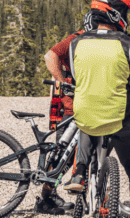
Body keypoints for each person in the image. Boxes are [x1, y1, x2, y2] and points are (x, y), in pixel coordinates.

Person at [66, 0, 130, 218]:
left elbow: (78, 78)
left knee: (89, 122)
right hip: (119, 119)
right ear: (118, 15)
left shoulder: (77, 43)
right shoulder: (126, 44)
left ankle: (81, 173)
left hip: (86, 116)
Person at [34, 30, 85, 215]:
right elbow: (50, 56)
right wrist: (63, 83)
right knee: (63, 154)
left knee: (75, 154)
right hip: (68, 105)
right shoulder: (75, 38)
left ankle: (53, 195)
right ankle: (46, 198)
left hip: (81, 103)